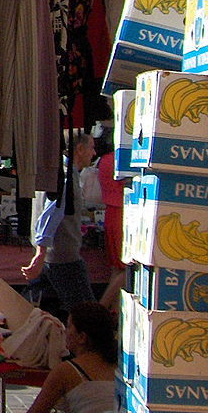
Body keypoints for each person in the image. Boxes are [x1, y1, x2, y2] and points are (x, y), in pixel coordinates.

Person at [15, 302, 117, 413]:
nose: (64, 331)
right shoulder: (119, 366)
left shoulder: (66, 371)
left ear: (82, 337)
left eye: (69, 327)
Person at [24, 132, 96, 316]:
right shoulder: (64, 176)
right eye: (91, 147)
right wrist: (41, 251)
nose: (94, 153)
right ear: (79, 149)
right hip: (62, 256)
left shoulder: (54, 170)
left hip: (52, 255)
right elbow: (53, 211)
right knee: (86, 314)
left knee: (32, 309)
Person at [94, 130, 126, 310]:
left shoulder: (104, 161)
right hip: (121, 215)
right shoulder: (119, 161)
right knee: (125, 268)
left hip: (110, 214)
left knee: (116, 267)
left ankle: (113, 313)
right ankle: (104, 308)